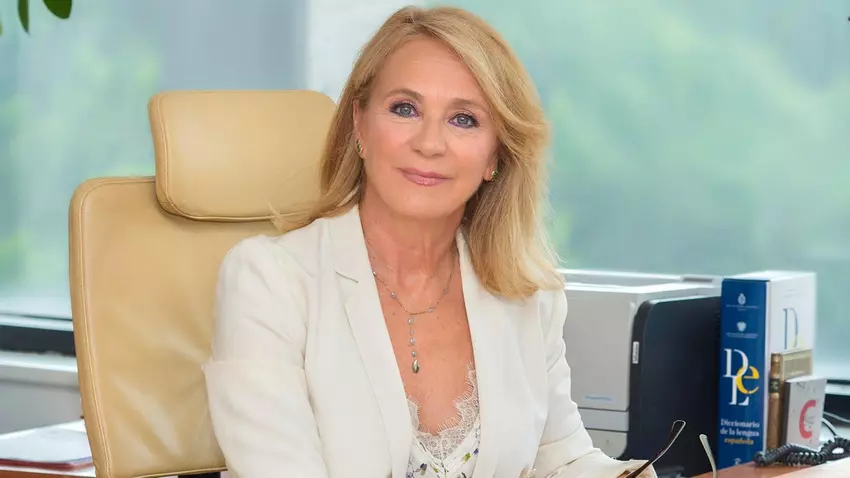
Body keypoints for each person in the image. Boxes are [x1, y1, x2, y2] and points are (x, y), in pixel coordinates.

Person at [202, 5, 657, 478]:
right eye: (405, 109)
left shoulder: (528, 296)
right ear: (359, 125)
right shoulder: (268, 281)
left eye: (463, 119)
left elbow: (563, 459)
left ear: (495, 156)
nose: (430, 143)